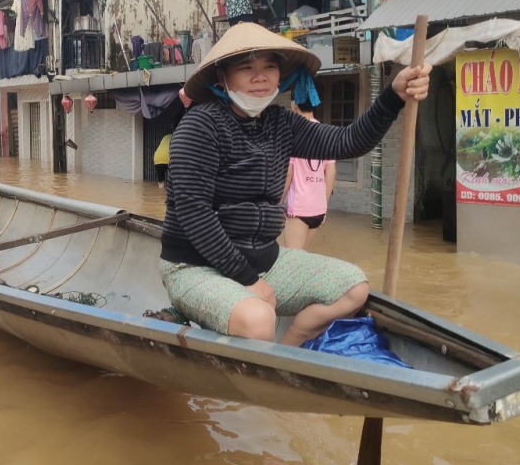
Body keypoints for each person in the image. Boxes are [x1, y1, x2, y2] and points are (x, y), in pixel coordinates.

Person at [160, 23, 431, 345]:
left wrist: (393, 96)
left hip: (264, 259)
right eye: (246, 68)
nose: (260, 77)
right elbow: (194, 214)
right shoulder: (199, 125)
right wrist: (247, 280)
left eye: (269, 67)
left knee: (354, 288)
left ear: (279, 75)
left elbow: (348, 142)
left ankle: (288, 352)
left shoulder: (280, 122)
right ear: (223, 77)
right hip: (195, 265)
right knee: (259, 318)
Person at [282, 100, 336, 251]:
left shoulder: (294, 133)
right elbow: (331, 172)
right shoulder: (326, 133)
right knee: (302, 259)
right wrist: (324, 207)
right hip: (318, 208)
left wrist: (278, 203)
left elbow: (288, 173)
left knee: (291, 262)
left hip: (299, 208)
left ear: (294, 105)